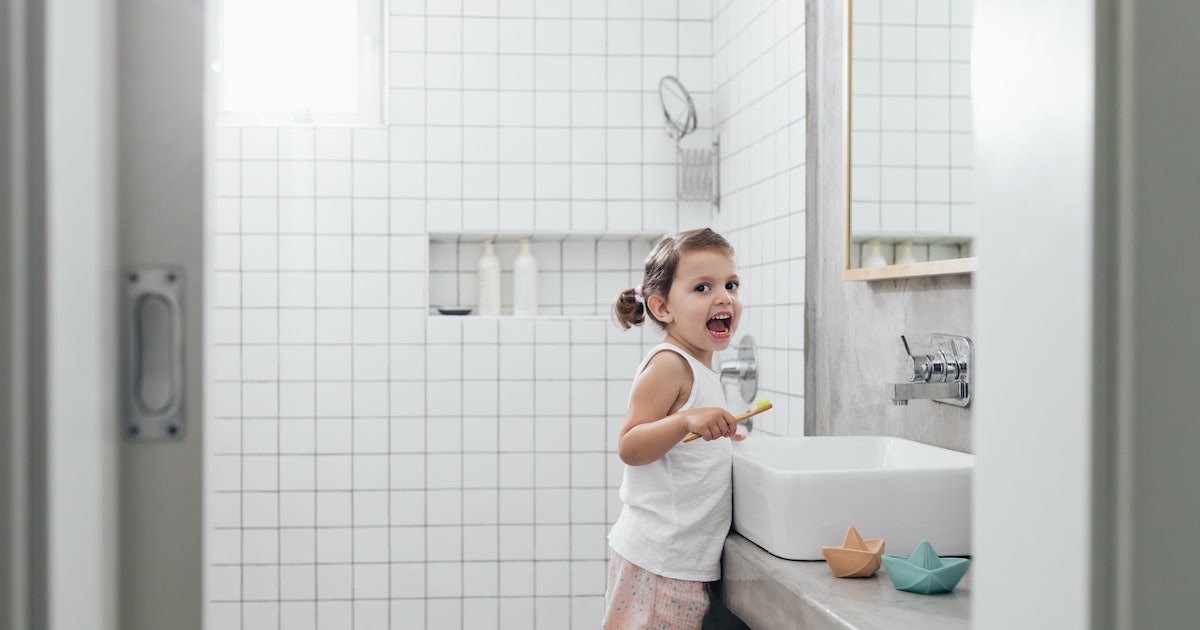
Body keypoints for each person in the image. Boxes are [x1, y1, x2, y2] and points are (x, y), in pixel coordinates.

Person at [602, 227, 747, 629]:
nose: (724, 297)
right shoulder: (670, 362)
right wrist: (685, 420)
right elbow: (631, 445)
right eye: (703, 287)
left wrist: (712, 432)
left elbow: (682, 443)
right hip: (656, 563)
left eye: (731, 285)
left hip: (677, 562)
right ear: (663, 308)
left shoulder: (700, 365)